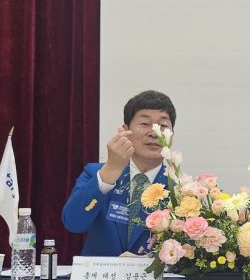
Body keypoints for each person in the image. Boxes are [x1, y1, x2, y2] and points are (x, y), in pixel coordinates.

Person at [62, 90, 175, 256]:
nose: (154, 132)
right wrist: (112, 169)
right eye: (144, 124)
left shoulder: (181, 188)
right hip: (99, 279)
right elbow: (73, 223)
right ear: (125, 130)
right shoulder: (96, 173)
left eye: (163, 126)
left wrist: (149, 262)